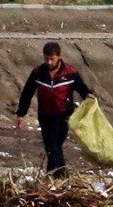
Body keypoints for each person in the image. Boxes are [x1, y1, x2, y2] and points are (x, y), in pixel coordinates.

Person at [15, 41, 93, 176]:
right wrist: (21, 114)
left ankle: (57, 175)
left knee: (54, 145)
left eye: (52, 59)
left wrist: (89, 98)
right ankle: (56, 176)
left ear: (59, 56)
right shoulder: (38, 73)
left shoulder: (71, 73)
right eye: (46, 59)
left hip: (63, 116)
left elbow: (82, 89)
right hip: (45, 116)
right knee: (50, 147)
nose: (49, 62)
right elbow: (27, 93)